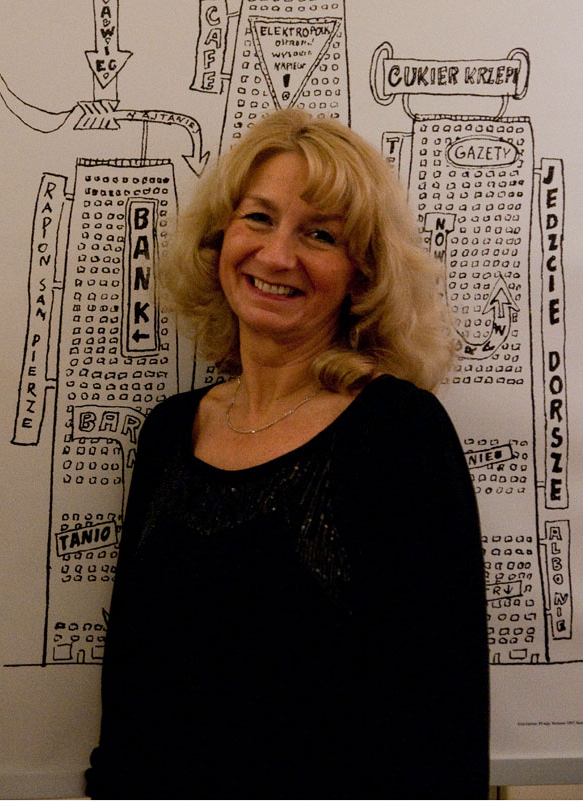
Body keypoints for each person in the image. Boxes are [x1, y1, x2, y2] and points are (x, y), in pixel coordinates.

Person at [85, 108, 489, 799]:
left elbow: (443, 716)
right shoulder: (170, 432)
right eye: (259, 218)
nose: (276, 257)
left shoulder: (398, 432)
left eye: (320, 235)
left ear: (361, 273)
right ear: (221, 238)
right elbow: (127, 683)